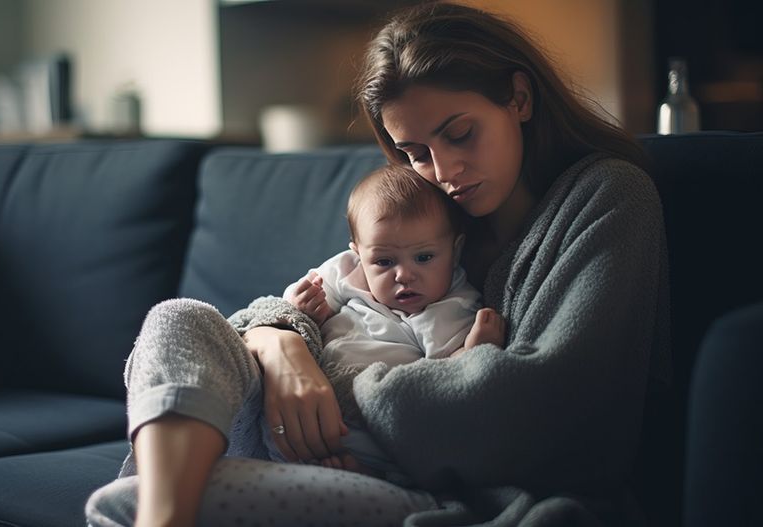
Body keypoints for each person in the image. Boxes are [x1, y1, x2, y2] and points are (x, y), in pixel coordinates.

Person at [86, 2, 670, 526]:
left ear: (518, 98)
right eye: (416, 153)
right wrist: (278, 338)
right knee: (177, 317)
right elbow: (326, 291)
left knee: (122, 504)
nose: (443, 171)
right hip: (293, 438)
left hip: (434, 488)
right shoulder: (425, 211)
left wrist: (325, 380)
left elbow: (529, 410)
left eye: (460, 134)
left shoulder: (607, 195)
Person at [283, 164, 504, 478]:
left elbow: (447, 379)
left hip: (377, 411)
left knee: (413, 432)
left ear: (454, 252)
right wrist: (303, 303)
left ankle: (372, 469)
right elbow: (291, 307)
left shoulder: (453, 303)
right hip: (312, 396)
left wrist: (474, 350)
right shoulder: (345, 271)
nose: (404, 275)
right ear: (358, 253)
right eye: (384, 261)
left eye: (424, 257)